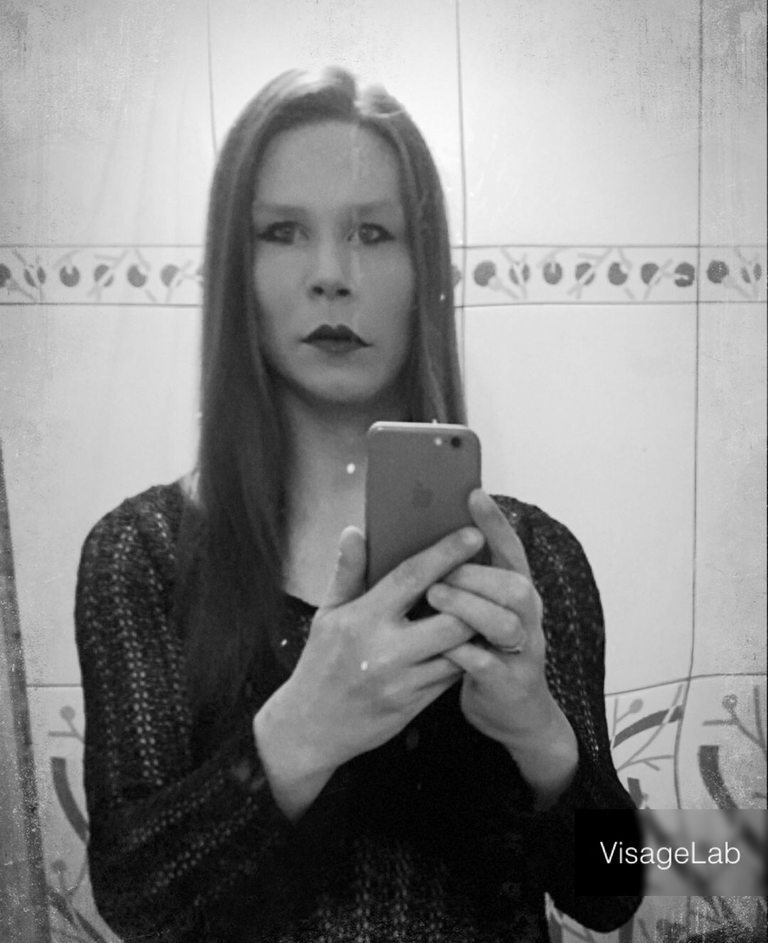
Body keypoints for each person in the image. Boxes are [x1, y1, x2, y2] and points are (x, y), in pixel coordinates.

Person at [75, 66, 642, 942]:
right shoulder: (143, 554)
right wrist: (299, 732)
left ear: (424, 271)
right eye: (283, 231)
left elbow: (612, 890)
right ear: (238, 269)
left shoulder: (533, 559)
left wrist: (541, 736)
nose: (331, 275)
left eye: (373, 232)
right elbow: (135, 901)